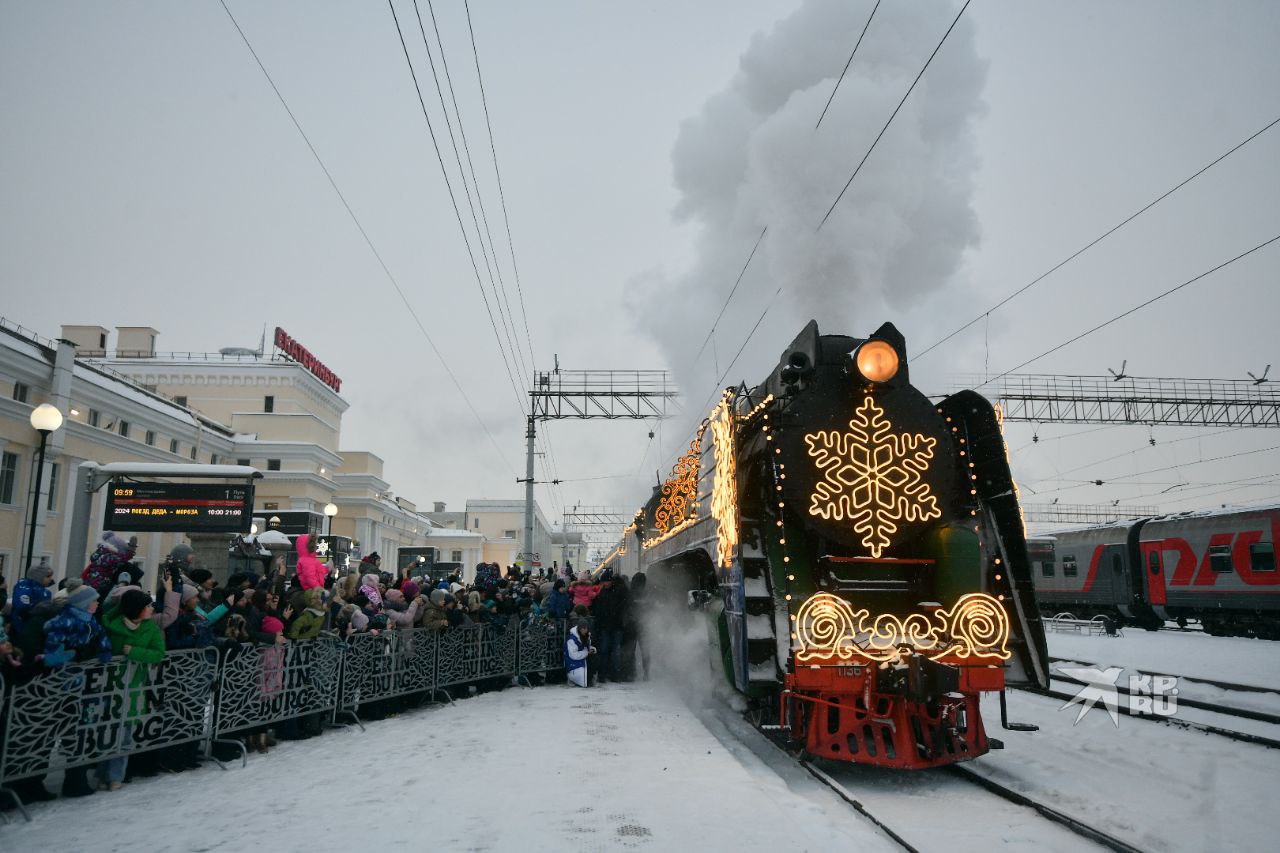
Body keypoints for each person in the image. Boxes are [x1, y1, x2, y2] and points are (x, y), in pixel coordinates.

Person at [99, 589, 165, 790]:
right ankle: (102, 774)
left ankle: (117, 775)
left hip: (134, 684)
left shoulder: (150, 627)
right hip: (109, 684)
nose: (151, 608)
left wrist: (134, 652)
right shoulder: (112, 624)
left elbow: (158, 653)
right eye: (147, 605)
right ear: (136, 608)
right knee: (106, 732)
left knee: (125, 732)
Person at [10, 559, 54, 635]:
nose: (51, 579)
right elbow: (21, 608)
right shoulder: (24, 587)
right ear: (37, 576)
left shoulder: (45, 591)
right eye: (48, 576)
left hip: (38, 627)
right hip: (24, 627)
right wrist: (38, 611)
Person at [564, 623, 594, 688]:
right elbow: (573, 655)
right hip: (573, 664)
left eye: (586, 629)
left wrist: (591, 649)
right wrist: (586, 653)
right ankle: (571, 678)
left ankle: (589, 679)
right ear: (581, 629)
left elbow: (585, 647)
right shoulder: (572, 639)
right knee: (584, 679)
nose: (585, 631)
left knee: (594, 659)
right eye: (584, 629)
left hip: (582, 660)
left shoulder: (585, 635)